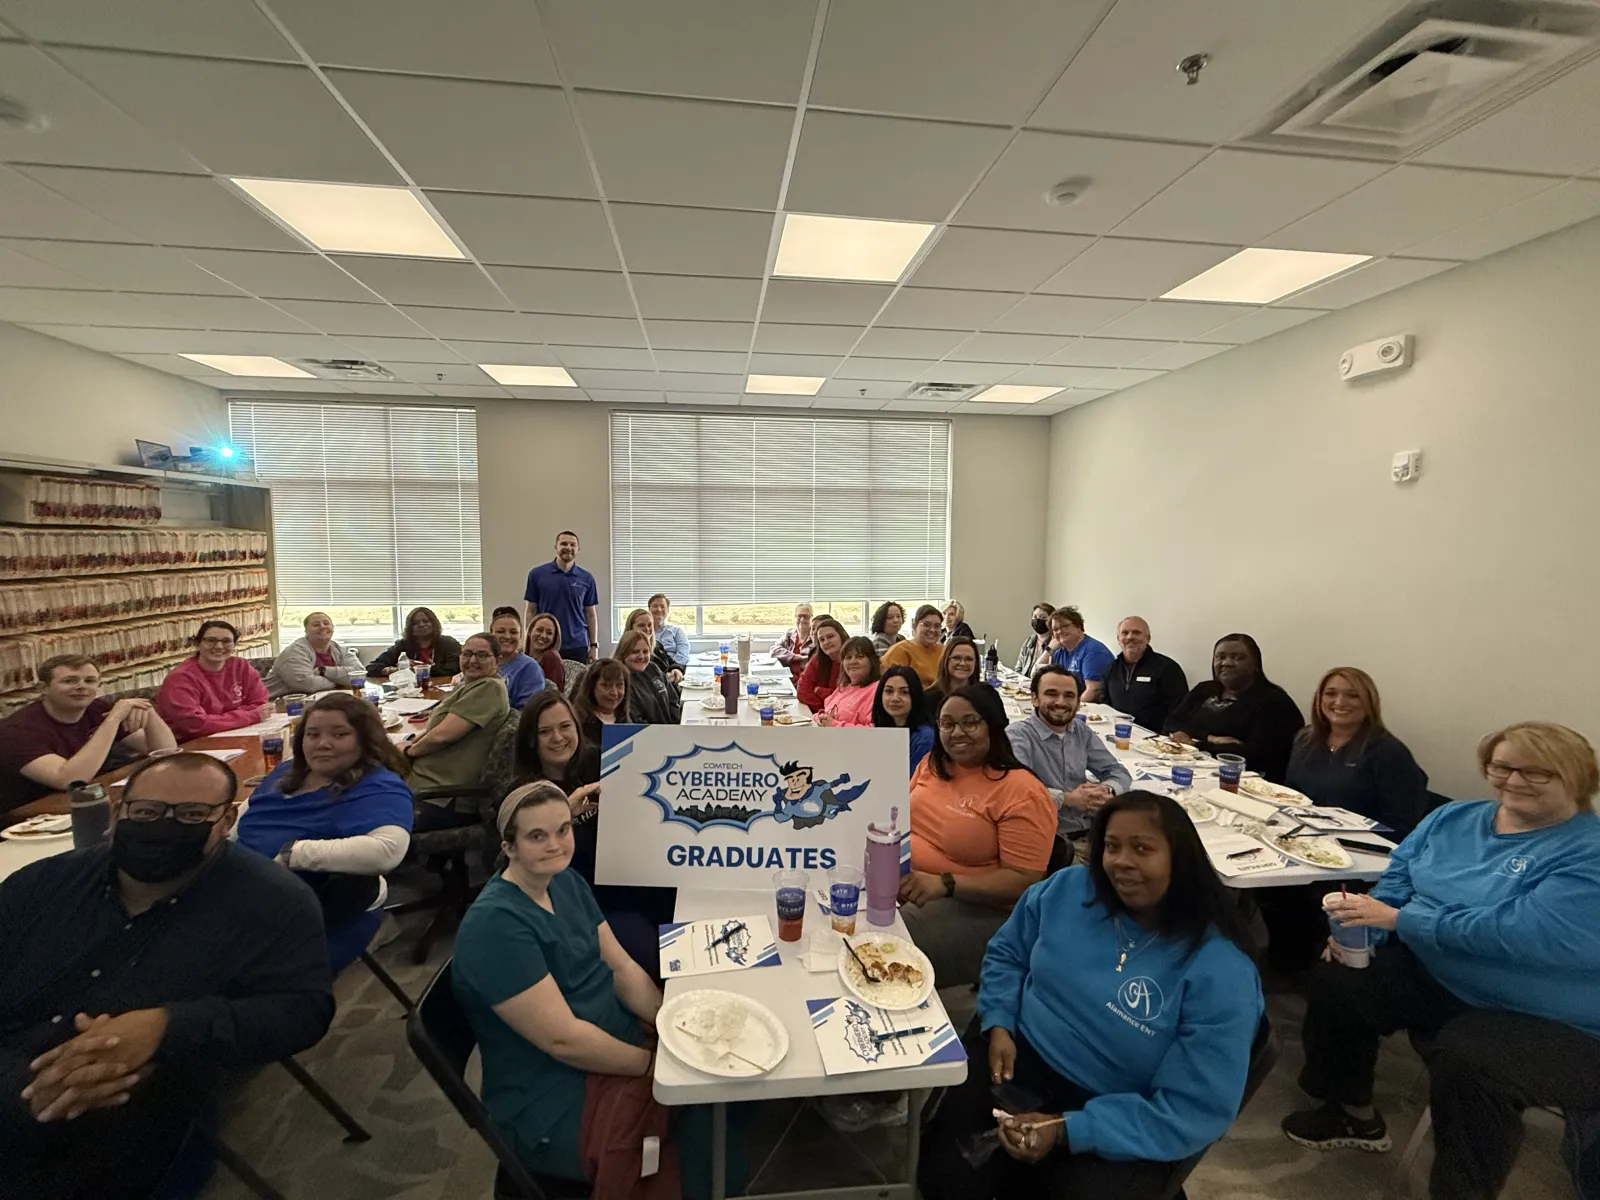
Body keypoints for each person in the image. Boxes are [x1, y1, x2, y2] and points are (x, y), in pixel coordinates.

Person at [1282, 722, 1600, 1200]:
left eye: (1537, 772)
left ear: (1578, 777)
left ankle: (1461, 1191)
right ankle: (1352, 1112)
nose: (1513, 781)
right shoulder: (1454, 818)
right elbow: (1400, 877)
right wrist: (1365, 933)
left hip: (1547, 1018)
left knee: (1470, 1061)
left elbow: (1524, 933)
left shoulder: (1587, 850)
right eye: (1501, 767)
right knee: (1340, 974)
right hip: (1439, 975)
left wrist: (1402, 921)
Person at [0, 753, 333, 1199]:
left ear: (225, 819)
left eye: (192, 815)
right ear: (119, 812)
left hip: (138, 1103)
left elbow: (303, 1011)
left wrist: (169, 1026)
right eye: (147, 811)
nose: (164, 826)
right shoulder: (45, 883)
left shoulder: (273, 902)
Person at [921, 792, 1264, 1200]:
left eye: (1143, 848)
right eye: (1112, 846)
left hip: (1118, 1107)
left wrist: (1069, 1129)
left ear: (1181, 859)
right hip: (1016, 1057)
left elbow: (1192, 1109)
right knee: (944, 1176)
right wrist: (998, 1022)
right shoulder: (1068, 889)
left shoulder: (1220, 971)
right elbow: (1007, 952)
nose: (1121, 861)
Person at [453, 782, 729, 1197]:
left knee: (716, 1073)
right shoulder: (496, 927)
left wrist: (673, 1027)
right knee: (705, 1123)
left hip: (609, 1040)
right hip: (553, 1091)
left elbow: (620, 967)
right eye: (536, 836)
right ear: (508, 847)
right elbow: (563, 1041)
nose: (555, 845)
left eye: (563, 830)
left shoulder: (564, 883)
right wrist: (655, 1066)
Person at [235, 692, 412, 971]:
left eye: (340, 734)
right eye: (312, 734)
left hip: (314, 915)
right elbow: (239, 825)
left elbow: (387, 852)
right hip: (242, 899)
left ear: (365, 740)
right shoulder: (285, 773)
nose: (322, 744)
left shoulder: (379, 785)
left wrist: (295, 853)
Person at [900, 684, 1056, 987]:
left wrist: (945, 883)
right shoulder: (933, 765)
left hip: (981, 909)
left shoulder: (1021, 792)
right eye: (946, 723)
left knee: (890, 944)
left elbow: (1024, 880)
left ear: (993, 724)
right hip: (907, 885)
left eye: (969, 722)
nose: (956, 732)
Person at [0, 654, 176, 813]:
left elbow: (165, 750)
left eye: (90, 681)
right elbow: (70, 780)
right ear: (43, 688)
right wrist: (113, 720)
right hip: (28, 814)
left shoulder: (96, 709)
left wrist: (147, 710)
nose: (81, 687)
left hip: (86, 802)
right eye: (69, 681)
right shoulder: (17, 730)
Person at [1286, 667, 1429, 837]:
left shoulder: (1389, 752)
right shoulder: (1305, 739)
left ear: (1369, 702)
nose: (1339, 702)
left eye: (1353, 696)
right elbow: (1291, 795)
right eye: (1330, 694)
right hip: (1303, 835)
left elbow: (1400, 825)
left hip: (1362, 848)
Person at [1009, 665, 1132, 842]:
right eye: (1051, 694)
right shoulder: (1018, 736)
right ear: (1035, 699)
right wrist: (1069, 799)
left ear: (1078, 702)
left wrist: (1105, 791)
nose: (1061, 702)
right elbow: (1016, 793)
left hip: (1094, 832)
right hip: (1050, 839)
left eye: (1069, 696)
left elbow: (1117, 771)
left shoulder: (1080, 730)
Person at [402, 632, 510, 831]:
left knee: (362, 813)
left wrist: (407, 753)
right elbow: (436, 729)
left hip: (440, 797)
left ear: (497, 660)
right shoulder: (470, 685)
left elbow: (443, 736)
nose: (472, 660)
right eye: (467, 654)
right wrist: (410, 743)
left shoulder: (489, 688)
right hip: (425, 784)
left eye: (482, 655)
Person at [1163, 634, 1303, 783]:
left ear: (1255, 664)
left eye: (1237, 658)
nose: (1227, 663)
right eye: (1220, 657)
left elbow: (1253, 754)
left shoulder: (1274, 703)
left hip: (1246, 784)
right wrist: (1211, 739)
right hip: (1192, 769)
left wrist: (1194, 743)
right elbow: (1170, 723)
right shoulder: (1204, 689)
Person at [154, 618, 274, 741]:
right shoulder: (180, 678)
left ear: (234, 645)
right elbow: (195, 725)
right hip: (190, 743)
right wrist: (249, 716)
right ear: (197, 644)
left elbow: (261, 703)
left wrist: (214, 720)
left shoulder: (241, 666)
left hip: (237, 733)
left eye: (226, 641)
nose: (219, 646)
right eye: (211, 640)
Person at [1102, 616, 1188, 734]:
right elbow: (1105, 704)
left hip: (1155, 740)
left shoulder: (1167, 668)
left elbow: (1179, 710)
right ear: (1118, 639)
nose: (1130, 637)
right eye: (1125, 633)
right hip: (1118, 734)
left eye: (1136, 632)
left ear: (1148, 638)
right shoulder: (1111, 668)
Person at [523, 530, 600, 663]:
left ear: (578, 549)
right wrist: (527, 641)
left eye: (572, 545)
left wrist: (593, 646)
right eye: (564, 544)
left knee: (576, 683)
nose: (568, 548)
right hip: (545, 642)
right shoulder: (536, 574)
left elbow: (590, 615)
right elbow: (531, 611)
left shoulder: (587, 578)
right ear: (556, 547)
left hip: (577, 645)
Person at [264, 611, 366, 698]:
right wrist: (339, 680)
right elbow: (307, 684)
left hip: (318, 699)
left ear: (333, 628)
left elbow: (359, 675)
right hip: (278, 702)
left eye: (326, 623)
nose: (322, 627)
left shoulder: (338, 649)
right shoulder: (294, 652)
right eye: (316, 625)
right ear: (306, 631)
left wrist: (323, 671)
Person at [367, 606, 462, 679]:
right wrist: (398, 670)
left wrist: (420, 669)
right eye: (416, 623)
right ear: (410, 628)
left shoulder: (449, 643)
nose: (421, 625)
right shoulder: (402, 645)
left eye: (426, 621)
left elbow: (455, 668)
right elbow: (371, 668)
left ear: (434, 624)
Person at [874, 667, 936, 774]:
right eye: (889, 691)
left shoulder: (925, 738)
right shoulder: (879, 732)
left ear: (915, 696)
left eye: (904, 692)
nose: (895, 698)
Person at [1046, 607, 1114, 704]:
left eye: (1065, 626)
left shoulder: (1094, 650)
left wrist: (1072, 709)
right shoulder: (1058, 651)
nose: (1060, 632)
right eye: (1055, 629)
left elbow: (1093, 691)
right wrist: (1049, 650)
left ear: (1078, 627)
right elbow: (1041, 678)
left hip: (1091, 709)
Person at [489, 606, 547, 708]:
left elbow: (527, 713)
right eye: (500, 631)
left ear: (521, 636)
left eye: (513, 632)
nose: (507, 636)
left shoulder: (530, 668)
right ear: (491, 634)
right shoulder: (483, 662)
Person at [617, 629, 680, 725]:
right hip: (646, 735)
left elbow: (673, 699)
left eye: (645, 651)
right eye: (635, 652)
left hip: (670, 731)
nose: (641, 656)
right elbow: (634, 719)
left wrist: (674, 725)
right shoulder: (619, 681)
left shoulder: (653, 668)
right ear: (623, 653)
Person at [818, 637, 881, 727]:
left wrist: (834, 725)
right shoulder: (843, 688)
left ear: (872, 661)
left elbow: (875, 732)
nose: (853, 662)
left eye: (859, 656)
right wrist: (821, 718)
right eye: (848, 657)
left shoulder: (877, 690)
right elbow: (826, 712)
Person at [882, 604, 945, 688]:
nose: (932, 630)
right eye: (926, 625)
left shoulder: (944, 651)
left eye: (937, 626)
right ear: (914, 626)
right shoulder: (900, 650)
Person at [797, 616, 849, 714]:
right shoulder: (817, 659)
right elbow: (802, 690)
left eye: (830, 636)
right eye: (822, 640)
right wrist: (825, 708)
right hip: (822, 714)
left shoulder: (852, 660)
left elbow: (847, 697)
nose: (826, 642)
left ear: (842, 635)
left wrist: (819, 691)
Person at [573, 658, 629, 746]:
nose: (614, 692)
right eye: (606, 686)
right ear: (592, 688)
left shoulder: (626, 721)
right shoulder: (579, 724)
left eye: (619, 685)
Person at [924, 635, 980, 718]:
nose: (962, 663)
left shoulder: (983, 696)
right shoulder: (928, 699)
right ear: (946, 661)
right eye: (956, 658)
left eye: (969, 659)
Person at [626, 607, 685, 685]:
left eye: (650, 625)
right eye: (641, 625)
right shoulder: (629, 652)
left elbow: (671, 662)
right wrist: (665, 678)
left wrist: (676, 669)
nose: (647, 629)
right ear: (631, 628)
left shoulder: (657, 645)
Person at [770, 602, 815, 679]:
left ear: (811, 618)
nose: (802, 619)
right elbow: (774, 650)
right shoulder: (789, 634)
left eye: (806, 616)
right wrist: (795, 657)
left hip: (807, 679)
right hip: (787, 677)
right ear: (795, 617)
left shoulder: (816, 636)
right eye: (799, 616)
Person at [648, 593, 690, 672]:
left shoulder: (677, 631)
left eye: (662, 606)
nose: (659, 609)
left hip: (674, 670)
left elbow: (683, 655)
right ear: (649, 609)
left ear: (667, 610)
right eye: (655, 606)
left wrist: (674, 669)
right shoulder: (643, 632)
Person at [525, 612, 567, 692]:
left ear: (554, 638)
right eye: (539, 630)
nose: (543, 636)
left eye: (549, 633)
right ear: (530, 631)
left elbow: (552, 694)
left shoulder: (551, 658)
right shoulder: (520, 655)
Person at [1014, 602, 1055, 675]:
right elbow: (1018, 667)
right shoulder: (1029, 641)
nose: (1038, 620)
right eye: (1035, 617)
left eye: (1043, 617)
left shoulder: (1054, 643)